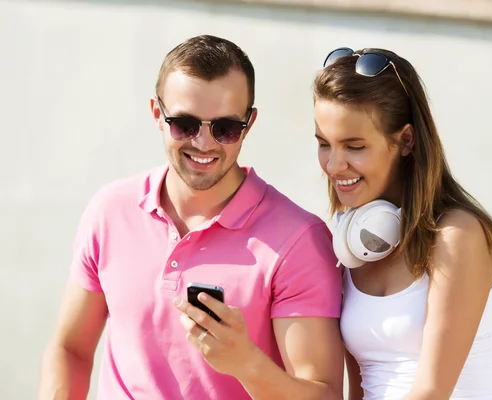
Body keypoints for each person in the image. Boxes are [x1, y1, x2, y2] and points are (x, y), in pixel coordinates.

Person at [38, 35, 345, 400]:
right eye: (184, 124)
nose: (203, 143)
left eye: (225, 128)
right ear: (157, 114)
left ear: (248, 124)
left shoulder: (298, 240)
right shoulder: (110, 210)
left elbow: (323, 394)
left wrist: (246, 363)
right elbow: (70, 349)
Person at [312, 47, 492, 400]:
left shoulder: (457, 236)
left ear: (405, 140)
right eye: (323, 144)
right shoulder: (350, 244)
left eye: (354, 146)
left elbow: (431, 391)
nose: (334, 165)